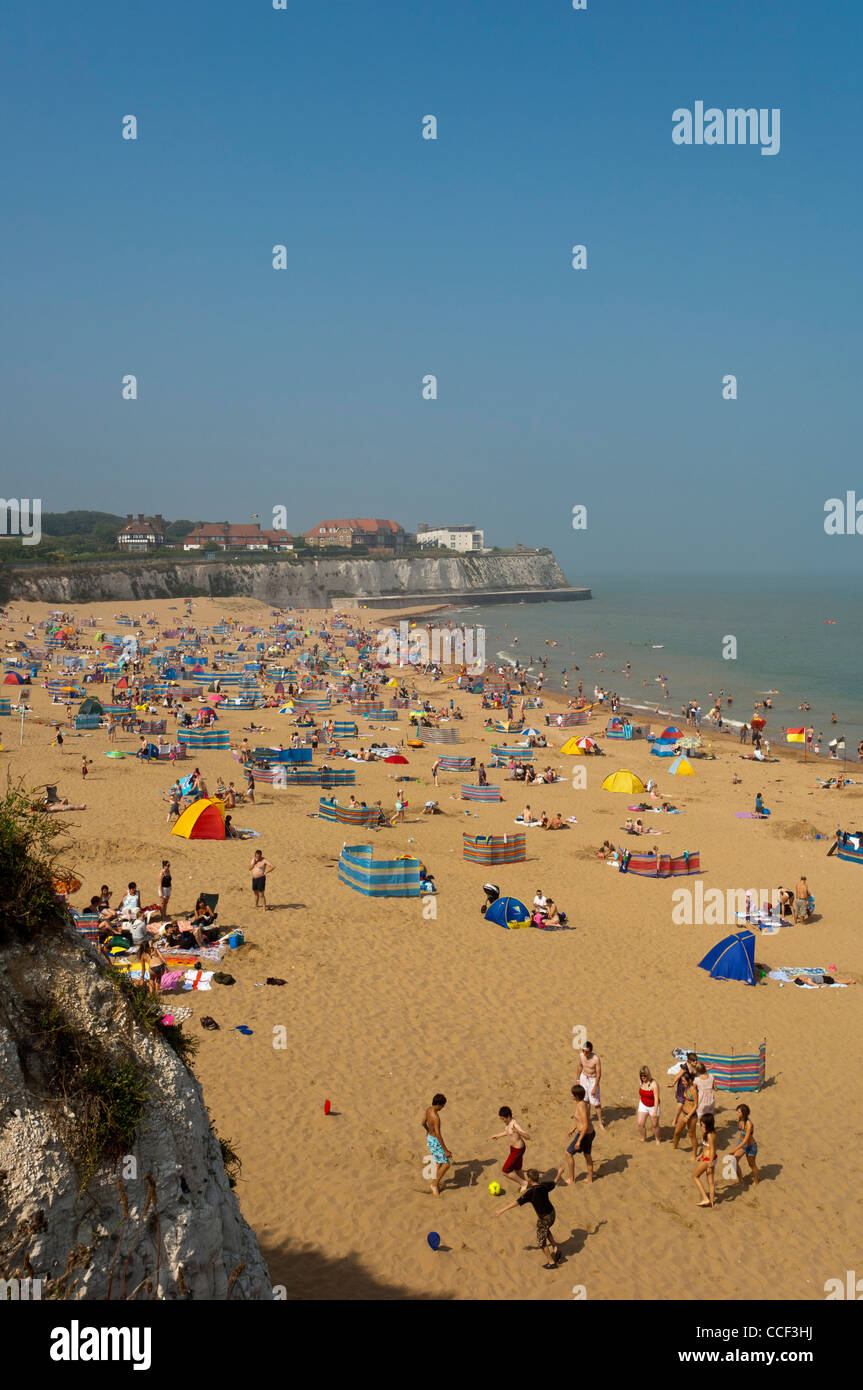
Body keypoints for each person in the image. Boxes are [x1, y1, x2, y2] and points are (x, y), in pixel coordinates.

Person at [496, 1169, 561, 1270]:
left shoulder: (531, 1193)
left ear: (529, 1179)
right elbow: (555, 1182)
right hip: (552, 1214)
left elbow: (516, 1203)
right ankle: (555, 1248)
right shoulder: (544, 1185)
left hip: (544, 1218)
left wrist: (502, 1210)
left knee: (541, 1242)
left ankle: (551, 1262)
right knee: (545, 1229)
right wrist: (559, 1173)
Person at [557, 1083, 595, 1184]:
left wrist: (578, 1141)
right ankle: (590, 1179)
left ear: (577, 1096)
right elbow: (582, 1120)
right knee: (587, 1155)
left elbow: (585, 1125)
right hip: (589, 1133)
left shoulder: (581, 1106)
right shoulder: (582, 1103)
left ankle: (571, 1179)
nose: (571, 1095)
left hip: (585, 1134)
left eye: (572, 1094)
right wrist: (574, 1128)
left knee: (568, 1153)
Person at [491, 1106, 529, 1189]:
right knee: (518, 1169)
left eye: (503, 1118)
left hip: (518, 1150)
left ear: (508, 1117)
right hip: (513, 1149)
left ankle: (523, 1183)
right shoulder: (509, 1123)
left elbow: (527, 1136)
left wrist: (518, 1131)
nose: (503, 1120)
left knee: (505, 1171)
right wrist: (498, 1135)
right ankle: (526, 1185)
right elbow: (508, 1131)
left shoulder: (515, 1124)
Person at [422, 1093, 451, 1196]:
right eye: (442, 1105)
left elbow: (423, 1123)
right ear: (438, 1104)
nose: (443, 1107)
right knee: (447, 1165)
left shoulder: (428, 1110)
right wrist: (445, 1150)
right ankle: (434, 1185)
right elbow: (438, 1135)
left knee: (439, 1162)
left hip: (430, 1138)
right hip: (435, 1141)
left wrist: (428, 1131)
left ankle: (435, 1182)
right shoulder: (436, 1117)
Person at [730, 1104, 760, 1186]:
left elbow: (746, 1140)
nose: (737, 1113)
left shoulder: (749, 1124)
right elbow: (742, 1136)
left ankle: (756, 1181)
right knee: (734, 1161)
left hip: (750, 1146)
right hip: (742, 1143)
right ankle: (741, 1181)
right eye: (737, 1111)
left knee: (752, 1165)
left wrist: (735, 1149)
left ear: (744, 1113)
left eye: (738, 1112)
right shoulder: (740, 1119)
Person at [692, 1113, 717, 1207]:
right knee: (710, 1181)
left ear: (707, 1124)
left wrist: (710, 1164)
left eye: (702, 1124)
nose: (701, 1125)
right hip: (710, 1158)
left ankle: (705, 1198)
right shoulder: (711, 1132)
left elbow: (712, 1149)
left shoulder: (710, 1135)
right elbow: (705, 1147)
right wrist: (701, 1155)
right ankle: (712, 1201)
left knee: (695, 1176)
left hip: (708, 1160)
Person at [578, 1042, 605, 1130]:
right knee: (585, 1100)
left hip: (593, 1080)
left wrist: (595, 1087)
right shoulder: (582, 1056)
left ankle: (600, 1122)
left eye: (587, 1051)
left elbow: (598, 1074)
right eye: (583, 1051)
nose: (585, 1053)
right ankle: (587, 1119)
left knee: (596, 1103)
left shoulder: (595, 1059)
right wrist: (577, 1079)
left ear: (590, 1051)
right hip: (584, 1078)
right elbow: (580, 1066)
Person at [637, 1066, 661, 1144]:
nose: (643, 1077)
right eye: (641, 1075)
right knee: (640, 1123)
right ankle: (643, 1138)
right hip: (643, 1104)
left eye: (644, 1075)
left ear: (648, 1075)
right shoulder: (640, 1082)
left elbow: (656, 1099)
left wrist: (654, 1112)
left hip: (653, 1105)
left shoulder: (654, 1084)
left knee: (655, 1125)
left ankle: (657, 1139)